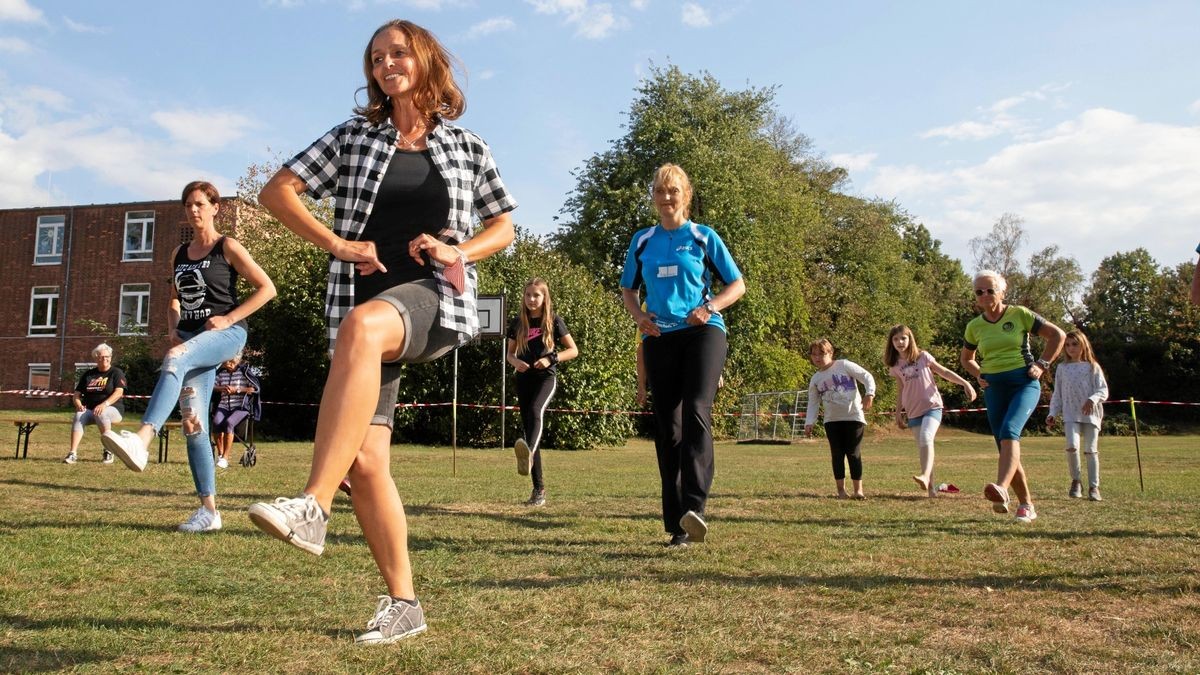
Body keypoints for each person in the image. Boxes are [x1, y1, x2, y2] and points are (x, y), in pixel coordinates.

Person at [248, 19, 516, 645]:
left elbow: (503, 224)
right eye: (375, 58)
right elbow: (276, 192)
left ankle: (312, 505)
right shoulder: (354, 137)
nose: (386, 64)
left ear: (424, 60)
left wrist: (460, 253)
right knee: (368, 462)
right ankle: (405, 604)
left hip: (433, 302)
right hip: (360, 317)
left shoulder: (466, 146)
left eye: (397, 53)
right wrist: (337, 243)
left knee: (367, 327)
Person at [102, 181, 276, 533]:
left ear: (215, 208)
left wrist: (229, 318)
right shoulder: (179, 253)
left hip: (225, 335)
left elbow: (267, 288)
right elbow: (174, 297)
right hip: (190, 338)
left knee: (174, 359)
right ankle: (209, 512)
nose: (193, 210)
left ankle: (141, 440)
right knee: (193, 423)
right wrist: (172, 327)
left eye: (200, 204)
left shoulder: (227, 247)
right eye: (188, 205)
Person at [620, 163, 745, 549]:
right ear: (654, 197)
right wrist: (639, 316)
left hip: (703, 331)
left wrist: (709, 308)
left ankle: (696, 508)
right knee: (668, 427)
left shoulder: (703, 237)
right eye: (660, 191)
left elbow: (737, 284)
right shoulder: (642, 241)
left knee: (695, 409)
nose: (666, 197)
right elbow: (628, 289)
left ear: (685, 195)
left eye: (673, 191)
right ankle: (678, 524)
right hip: (660, 336)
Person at [960, 270, 1064, 523]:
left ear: (1002, 292)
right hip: (994, 388)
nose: (985, 295)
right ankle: (1026, 504)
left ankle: (1002, 489)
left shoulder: (1019, 314)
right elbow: (966, 359)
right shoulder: (974, 326)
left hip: (1023, 383)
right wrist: (978, 374)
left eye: (990, 290)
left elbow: (1057, 335)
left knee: (1009, 431)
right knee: (1005, 445)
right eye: (979, 292)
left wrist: (1042, 364)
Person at [506, 278, 578, 506]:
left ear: (545, 297)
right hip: (524, 380)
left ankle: (527, 457)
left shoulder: (554, 321)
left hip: (546, 379)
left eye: (536, 295)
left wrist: (551, 358)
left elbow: (573, 350)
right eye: (528, 295)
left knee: (536, 411)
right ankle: (538, 492)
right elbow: (509, 354)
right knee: (530, 432)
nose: (531, 299)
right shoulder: (517, 323)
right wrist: (514, 361)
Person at [884, 325, 976, 497]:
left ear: (910, 339)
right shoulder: (895, 366)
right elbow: (901, 390)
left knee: (926, 438)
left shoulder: (922, 356)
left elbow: (944, 372)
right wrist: (898, 413)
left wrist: (966, 383)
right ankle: (931, 490)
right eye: (895, 339)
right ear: (891, 342)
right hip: (912, 411)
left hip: (932, 407)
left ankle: (925, 476)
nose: (899, 342)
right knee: (923, 447)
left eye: (903, 338)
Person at [804, 339, 876, 499]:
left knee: (853, 453)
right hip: (831, 421)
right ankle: (841, 491)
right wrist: (810, 422)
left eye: (821, 353)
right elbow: (813, 402)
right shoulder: (815, 379)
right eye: (814, 354)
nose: (817, 357)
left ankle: (858, 491)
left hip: (853, 417)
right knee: (837, 454)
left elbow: (866, 376)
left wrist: (869, 393)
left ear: (831, 353)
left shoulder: (844, 365)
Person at [1047, 329, 1109, 501]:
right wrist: (1052, 413)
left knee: (1090, 450)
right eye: (1067, 345)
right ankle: (1076, 481)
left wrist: (1093, 399)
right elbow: (1057, 393)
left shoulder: (1092, 367)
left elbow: (1103, 390)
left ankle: (1094, 487)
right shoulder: (1062, 368)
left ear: (1083, 345)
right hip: (1070, 413)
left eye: (1074, 344)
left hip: (1091, 414)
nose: (1070, 348)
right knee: (1072, 446)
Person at [63, 343, 127, 465]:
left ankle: (109, 451)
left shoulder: (116, 372)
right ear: (96, 358)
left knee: (102, 413)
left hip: (112, 410)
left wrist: (104, 404)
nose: (105, 359)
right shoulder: (89, 374)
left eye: (107, 356)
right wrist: (78, 405)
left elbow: (119, 392)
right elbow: (76, 395)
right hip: (91, 410)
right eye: (102, 356)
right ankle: (72, 453)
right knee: (79, 415)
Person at [211, 352, 261, 469]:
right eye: (227, 362)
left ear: (236, 362)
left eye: (231, 362)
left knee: (229, 423)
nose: (228, 365)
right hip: (223, 405)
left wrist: (236, 390)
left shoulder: (244, 373)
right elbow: (212, 386)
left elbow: (253, 389)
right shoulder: (221, 374)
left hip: (241, 407)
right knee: (216, 423)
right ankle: (220, 455)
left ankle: (226, 458)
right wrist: (221, 388)